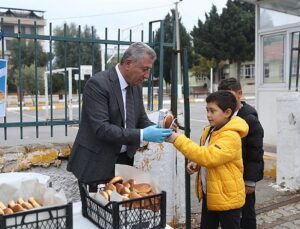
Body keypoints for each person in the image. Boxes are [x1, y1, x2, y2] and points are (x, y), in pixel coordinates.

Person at [67, 42, 172, 195]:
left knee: (121, 210)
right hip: (95, 164)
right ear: (128, 63)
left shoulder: (135, 86)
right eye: (144, 69)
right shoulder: (97, 84)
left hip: (123, 163)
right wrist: (143, 135)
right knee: (96, 213)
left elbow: (141, 119)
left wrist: (159, 128)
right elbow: (102, 129)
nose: (147, 76)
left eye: (149, 70)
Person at [168, 90, 249, 229]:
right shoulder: (210, 130)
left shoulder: (231, 136)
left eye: (212, 111)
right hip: (210, 194)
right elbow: (207, 154)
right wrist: (197, 163)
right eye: (207, 110)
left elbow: (208, 157)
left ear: (227, 113)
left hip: (227, 198)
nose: (208, 115)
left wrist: (178, 139)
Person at [218, 77, 264, 229]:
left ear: (240, 94)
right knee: (231, 216)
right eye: (222, 96)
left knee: (247, 214)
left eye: (229, 95)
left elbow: (255, 152)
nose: (226, 100)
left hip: (244, 178)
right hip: (228, 176)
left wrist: (250, 180)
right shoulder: (223, 115)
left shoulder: (249, 118)